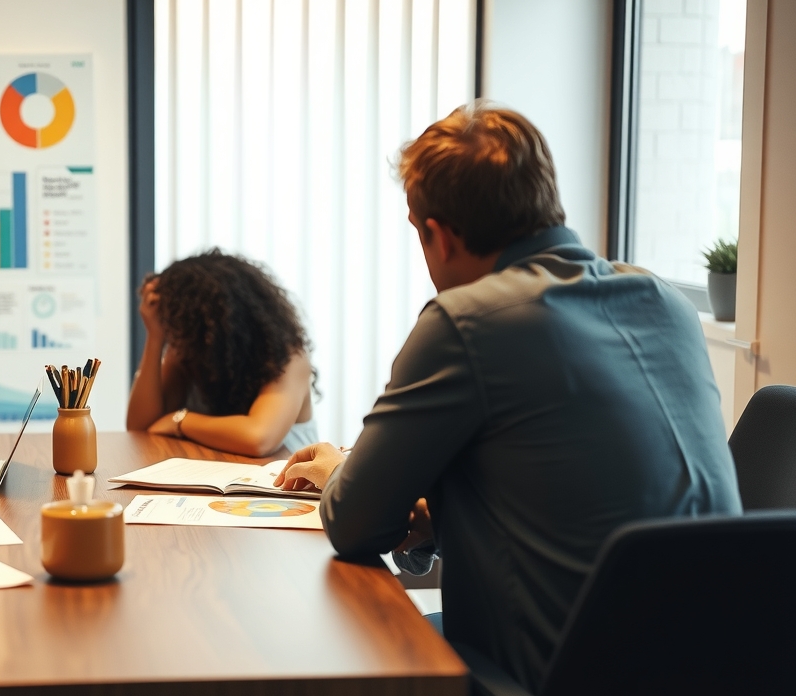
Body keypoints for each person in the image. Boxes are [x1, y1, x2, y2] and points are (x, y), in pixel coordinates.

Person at [275, 102, 741, 691]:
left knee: (333, 648)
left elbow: (354, 523)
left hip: (554, 674)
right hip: (721, 663)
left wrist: (339, 469)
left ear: (438, 236)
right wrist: (435, 516)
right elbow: (582, 502)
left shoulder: (466, 321)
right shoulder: (666, 304)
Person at [126, 249, 317, 457]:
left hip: (288, 483)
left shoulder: (288, 358)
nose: (176, 334)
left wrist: (180, 420)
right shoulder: (188, 353)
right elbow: (140, 427)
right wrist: (155, 337)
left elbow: (259, 438)